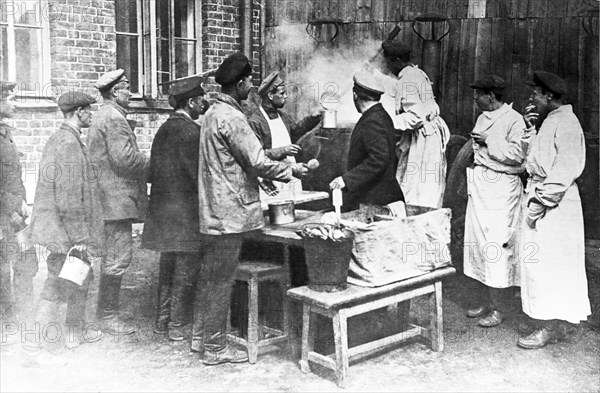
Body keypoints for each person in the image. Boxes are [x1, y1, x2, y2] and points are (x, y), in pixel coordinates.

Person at [194, 52, 308, 365]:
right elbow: (256, 161)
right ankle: (214, 349)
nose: (251, 87)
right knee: (221, 281)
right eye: (249, 82)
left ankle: (201, 340)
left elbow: (238, 159)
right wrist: (291, 170)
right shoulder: (233, 117)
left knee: (212, 277)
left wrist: (276, 157)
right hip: (230, 214)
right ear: (241, 83)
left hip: (215, 210)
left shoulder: (212, 113)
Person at [22, 91, 104, 367]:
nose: (91, 114)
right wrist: (80, 238)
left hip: (60, 230)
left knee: (72, 279)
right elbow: (69, 197)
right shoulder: (68, 143)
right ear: (79, 112)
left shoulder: (61, 139)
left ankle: (68, 334)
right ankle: (36, 348)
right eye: (88, 110)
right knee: (55, 286)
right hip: (64, 233)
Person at [517, 70, 590, 349]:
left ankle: (548, 326)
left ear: (550, 96)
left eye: (536, 93)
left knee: (550, 265)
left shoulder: (568, 123)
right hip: (541, 195)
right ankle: (545, 319)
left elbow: (563, 171)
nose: (533, 98)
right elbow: (532, 161)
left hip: (555, 204)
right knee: (539, 264)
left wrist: (539, 204)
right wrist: (530, 129)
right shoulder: (551, 121)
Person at [142, 75, 207, 342]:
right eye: (201, 101)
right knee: (186, 269)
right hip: (184, 214)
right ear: (191, 102)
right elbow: (199, 176)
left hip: (162, 212)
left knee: (167, 267)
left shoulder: (163, 130)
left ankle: (162, 321)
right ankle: (178, 325)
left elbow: (149, 173)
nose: (204, 105)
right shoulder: (192, 132)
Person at [462, 75, 526, 327]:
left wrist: (490, 141)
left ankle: (500, 308)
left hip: (502, 188)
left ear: (491, 95)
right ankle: (485, 301)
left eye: (478, 94)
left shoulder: (514, 120)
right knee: (477, 245)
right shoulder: (482, 117)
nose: (475, 98)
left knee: (497, 247)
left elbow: (518, 155)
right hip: (481, 186)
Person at [88, 69, 149, 335]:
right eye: (126, 87)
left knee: (114, 258)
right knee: (117, 259)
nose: (131, 93)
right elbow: (125, 160)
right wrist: (155, 162)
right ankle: (107, 316)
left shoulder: (106, 115)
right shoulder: (113, 118)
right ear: (114, 92)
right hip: (115, 203)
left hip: (110, 201)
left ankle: (106, 314)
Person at [381, 40, 450, 208]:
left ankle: (415, 220)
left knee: (414, 186)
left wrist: (387, 122)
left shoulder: (407, 80)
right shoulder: (416, 73)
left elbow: (416, 117)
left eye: (389, 62)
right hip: (430, 134)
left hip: (422, 139)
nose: (388, 67)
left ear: (397, 61)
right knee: (428, 186)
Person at [329, 69, 404, 210]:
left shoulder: (372, 121)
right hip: (382, 197)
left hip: (377, 200)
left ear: (355, 95)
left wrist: (346, 180)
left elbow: (378, 159)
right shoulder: (381, 115)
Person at [248, 71, 321, 192]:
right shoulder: (255, 121)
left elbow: (296, 131)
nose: (286, 96)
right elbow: (257, 157)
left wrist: (313, 117)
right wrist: (283, 151)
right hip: (270, 181)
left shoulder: (283, 116)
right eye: (282, 93)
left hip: (291, 174)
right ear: (271, 95)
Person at [0, 81, 33, 338]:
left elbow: (14, 176)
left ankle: (23, 318)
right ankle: (6, 323)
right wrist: (12, 204)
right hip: (3, 216)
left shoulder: (5, 132)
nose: (14, 103)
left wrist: (22, 201)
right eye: (9, 98)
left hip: (14, 215)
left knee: (25, 262)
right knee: (2, 270)